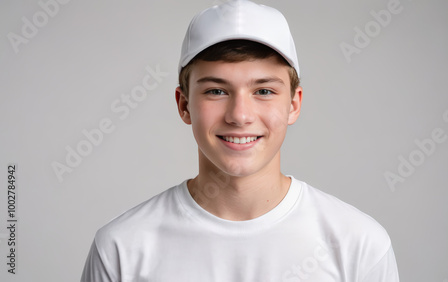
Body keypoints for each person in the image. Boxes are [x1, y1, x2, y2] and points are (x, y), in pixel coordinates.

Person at [81, 0, 399, 281]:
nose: (240, 115)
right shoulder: (120, 249)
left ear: (293, 104)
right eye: (216, 91)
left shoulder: (359, 245)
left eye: (263, 91)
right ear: (184, 105)